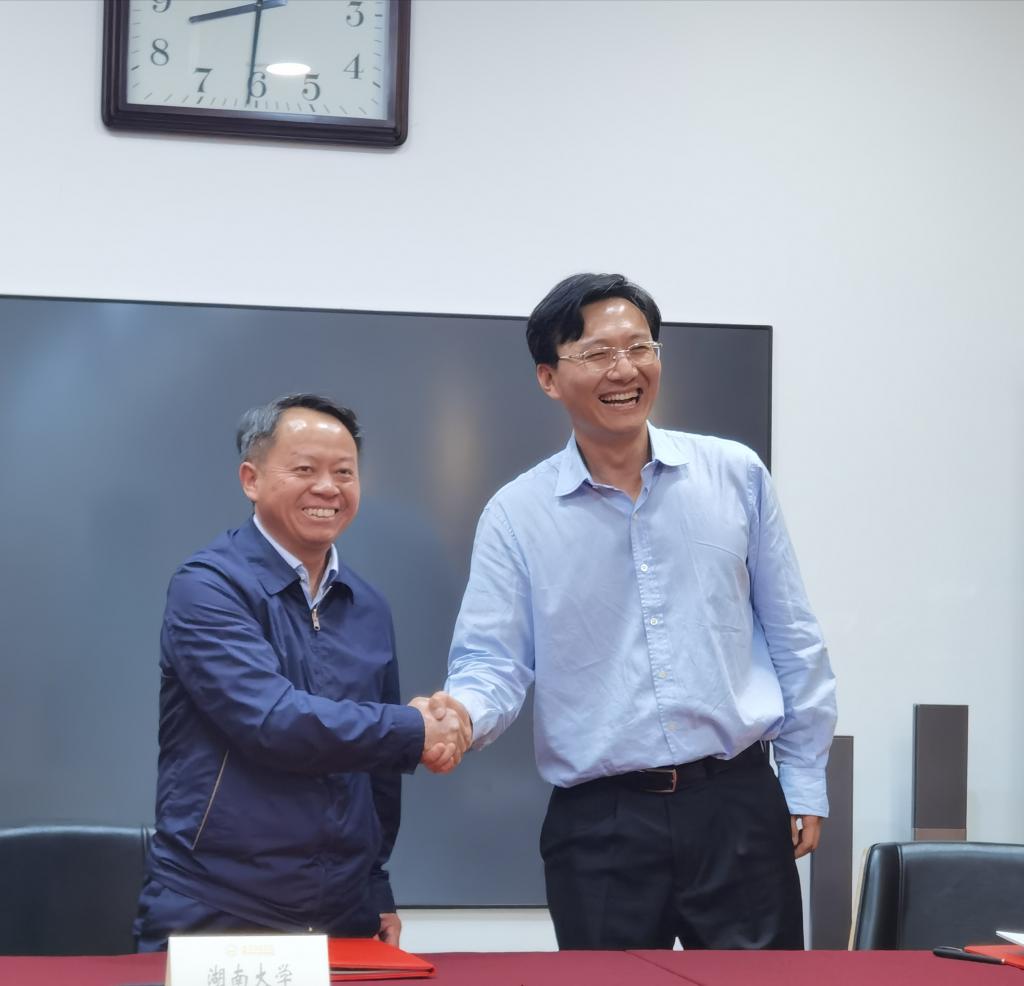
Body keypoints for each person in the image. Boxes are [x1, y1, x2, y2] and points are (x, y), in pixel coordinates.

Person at [440, 273, 837, 950]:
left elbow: (792, 635)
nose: (624, 370)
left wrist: (803, 779)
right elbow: (492, 664)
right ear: (548, 377)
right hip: (602, 823)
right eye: (597, 353)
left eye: (640, 347)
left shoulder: (735, 474)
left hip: (736, 803)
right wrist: (459, 718)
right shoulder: (516, 513)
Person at [134, 394, 468, 951]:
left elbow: (377, 774)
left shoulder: (367, 604)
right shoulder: (208, 587)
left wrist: (376, 883)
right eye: (305, 469)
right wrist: (417, 730)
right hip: (220, 903)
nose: (328, 488)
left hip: (341, 909)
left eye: (344, 473)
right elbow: (272, 721)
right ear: (251, 479)